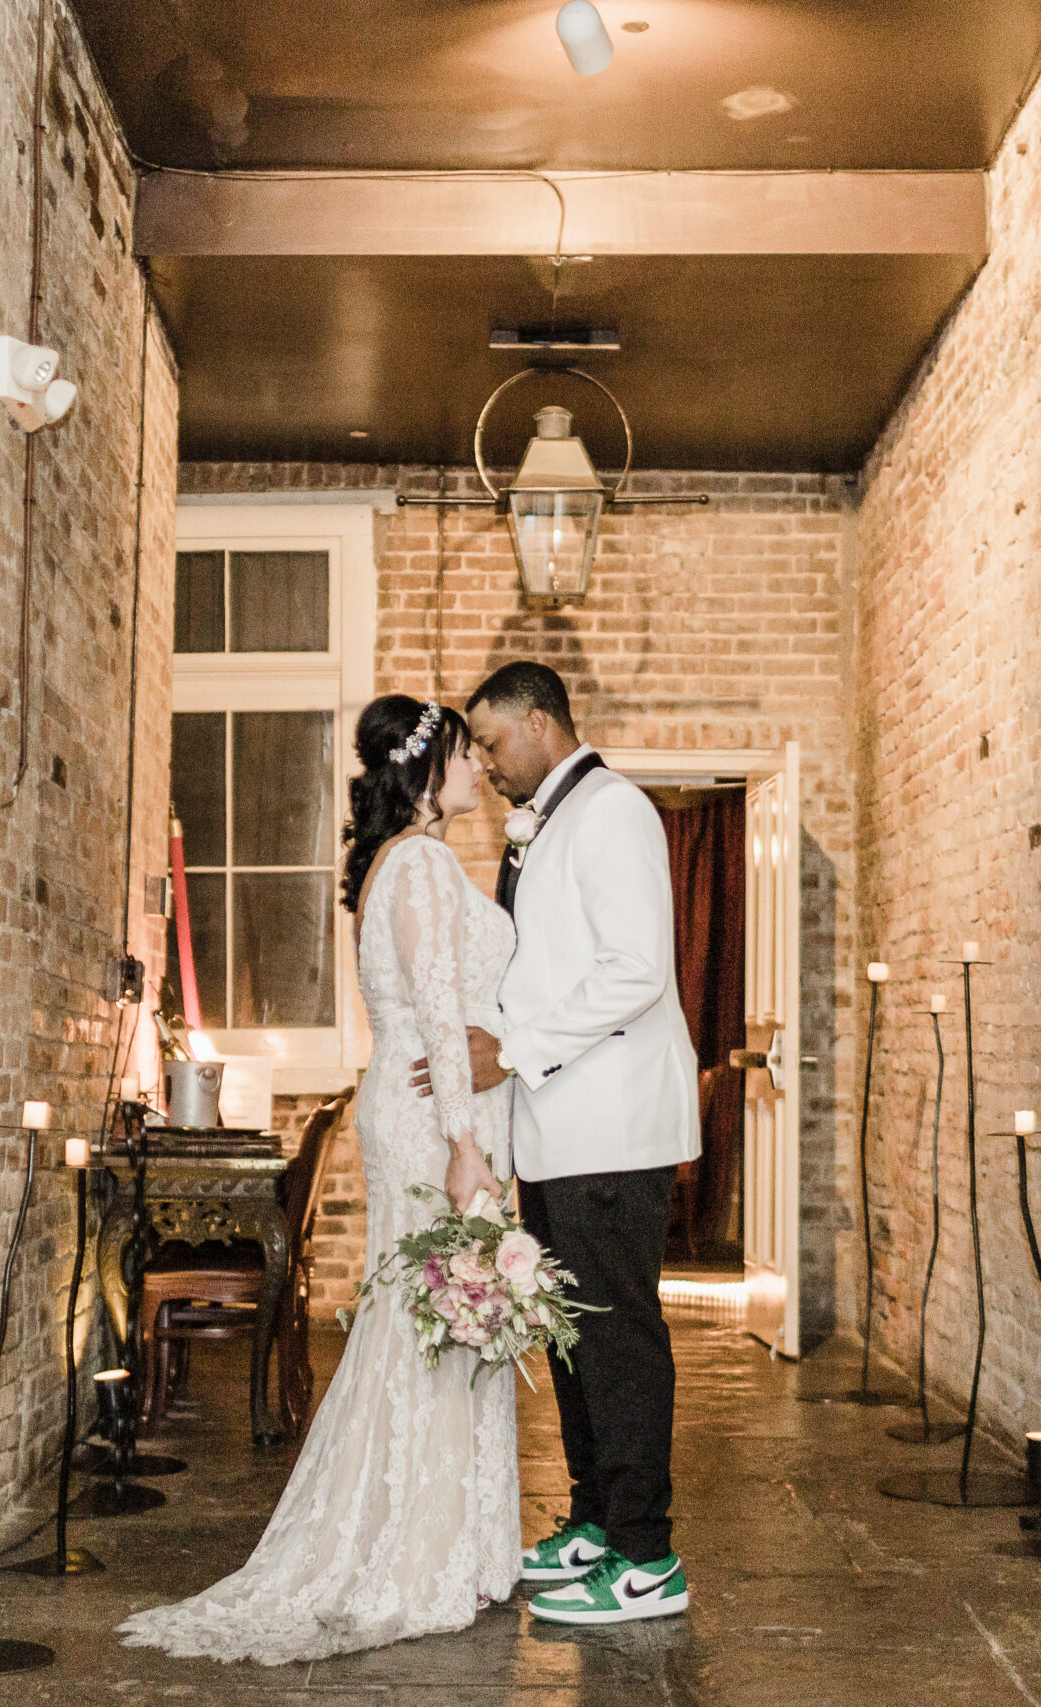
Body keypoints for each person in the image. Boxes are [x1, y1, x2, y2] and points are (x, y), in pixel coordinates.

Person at [117, 695, 518, 1664]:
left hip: (427, 1105)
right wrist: (466, 1146)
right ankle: (412, 1551)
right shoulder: (418, 863)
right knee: (436, 1316)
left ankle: (452, 1540)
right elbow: (431, 1012)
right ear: (428, 771)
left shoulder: (402, 862)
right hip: (433, 1118)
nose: (478, 769)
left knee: (430, 1317)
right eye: (466, 754)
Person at [430, 659, 700, 1625]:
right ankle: (592, 1519)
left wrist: (514, 1051)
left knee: (620, 1337)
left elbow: (636, 969)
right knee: (574, 1338)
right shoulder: (549, 818)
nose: (490, 764)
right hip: (557, 1132)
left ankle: (645, 1555)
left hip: (611, 1130)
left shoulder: (613, 809)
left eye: (495, 742)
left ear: (541, 723)